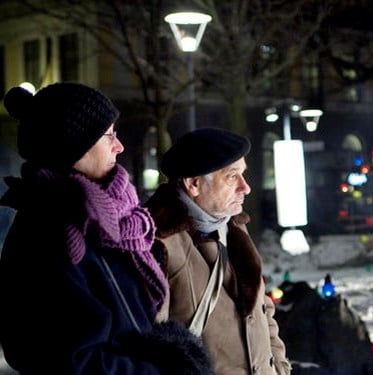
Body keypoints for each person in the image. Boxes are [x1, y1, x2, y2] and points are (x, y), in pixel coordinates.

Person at [0, 83, 212, 373]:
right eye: (108, 135)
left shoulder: (112, 218)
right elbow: (66, 359)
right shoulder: (51, 230)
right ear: (73, 145)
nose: (119, 146)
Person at [145, 127, 292, 375]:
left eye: (243, 175)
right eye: (232, 177)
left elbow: (262, 310)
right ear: (194, 184)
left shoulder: (232, 225)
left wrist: (280, 367)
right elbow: (153, 348)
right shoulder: (158, 241)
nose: (246, 188)